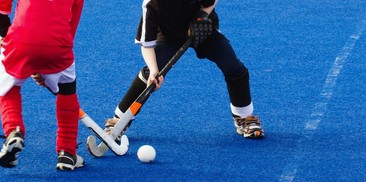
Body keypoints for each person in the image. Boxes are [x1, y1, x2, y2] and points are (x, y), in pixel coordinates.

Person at [104, 0, 264, 140]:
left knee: (234, 68)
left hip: (203, 30)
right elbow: (147, 45)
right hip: (169, 36)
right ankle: (119, 120)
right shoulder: (152, 4)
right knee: (149, 76)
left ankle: (244, 118)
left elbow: (210, 1)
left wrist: (202, 15)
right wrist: (154, 70)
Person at [0, 0, 85, 170]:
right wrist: (48, 70)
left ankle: (13, 131)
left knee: (8, 86)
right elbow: (71, 25)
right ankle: (67, 153)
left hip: (20, 40)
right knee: (67, 89)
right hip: (58, 45)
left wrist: (5, 34)